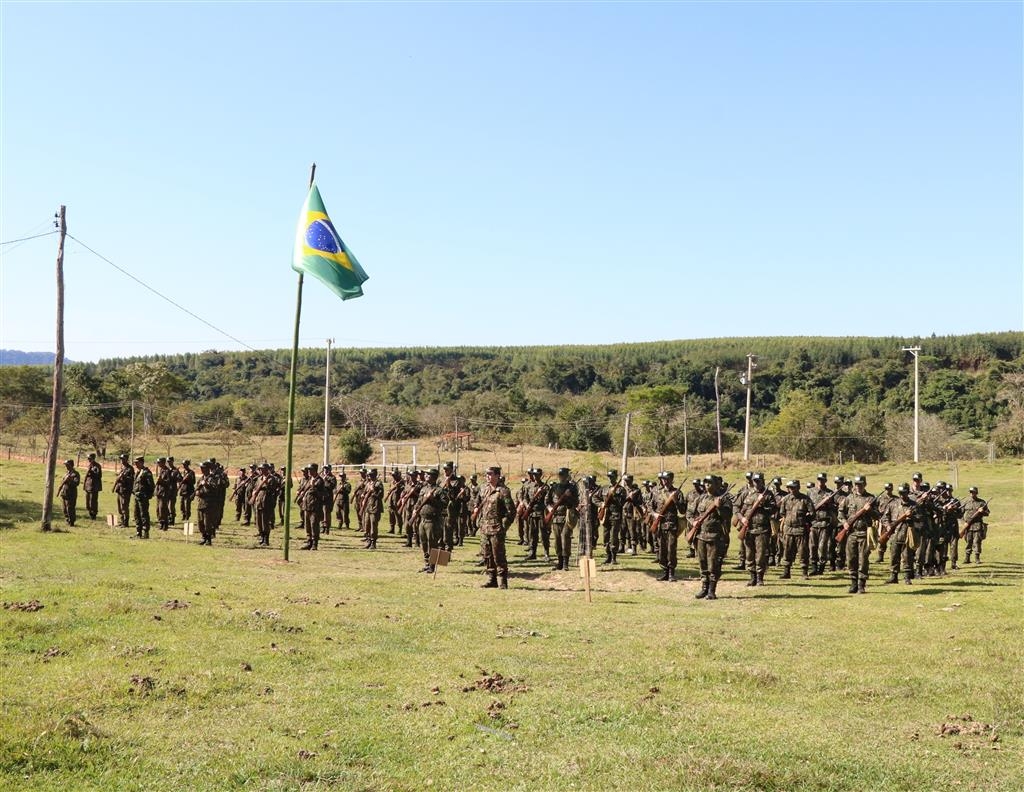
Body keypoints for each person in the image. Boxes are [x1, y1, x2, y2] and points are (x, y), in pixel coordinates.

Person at [694, 475, 733, 601]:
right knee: (702, 563)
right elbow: (690, 513)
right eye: (705, 482)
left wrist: (719, 507)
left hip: (715, 537)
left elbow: (727, 517)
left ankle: (712, 590)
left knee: (714, 564)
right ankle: (704, 587)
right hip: (701, 535)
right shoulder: (701, 498)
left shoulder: (724, 499)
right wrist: (693, 522)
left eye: (710, 482)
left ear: (717, 485)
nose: (707, 485)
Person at [837, 475, 877, 594]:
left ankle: (861, 585)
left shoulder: (871, 498)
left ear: (865, 484)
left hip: (864, 533)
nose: (858, 486)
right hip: (851, 533)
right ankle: (853, 583)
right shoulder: (848, 498)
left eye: (860, 484)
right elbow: (840, 513)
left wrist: (870, 510)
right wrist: (844, 523)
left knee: (863, 559)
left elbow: (878, 515)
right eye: (856, 484)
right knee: (851, 559)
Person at [478, 466, 515, 589]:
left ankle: (503, 580)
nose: (488, 476)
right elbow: (478, 506)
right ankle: (492, 579)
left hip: (496, 528)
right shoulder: (483, 489)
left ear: (497, 475)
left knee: (498, 555)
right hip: (485, 528)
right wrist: (479, 522)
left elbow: (511, 512)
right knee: (487, 555)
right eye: (486, 474)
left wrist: (503, 527)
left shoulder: (503, 491)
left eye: (490, 474)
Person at [737, 472, 777, 587]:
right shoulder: (746, 493)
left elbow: (774, 509)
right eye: (755, 481)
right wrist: (742, 518)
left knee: (761, 555)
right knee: (749, 554)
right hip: (748, 528)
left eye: (759, 481)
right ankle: (752, 577)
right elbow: (736, 508)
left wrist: (763, 504)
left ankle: (760, 578)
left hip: (762, 529)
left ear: (763, 481)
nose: (756, 483)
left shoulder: (768, 495)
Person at [651, 471, 686, 582]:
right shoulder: (656, 492)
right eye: (663, 479)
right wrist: (654, 514)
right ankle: (664, 571)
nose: (664, 481)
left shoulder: (678, 493)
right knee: (662, 549)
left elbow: (682, 510)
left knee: (671, 549)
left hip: (671, 525)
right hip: (660, 524)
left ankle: (671, 573)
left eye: (667, 479)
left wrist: (675, 500)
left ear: (672, 479)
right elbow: (649, 506)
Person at [777, 480, 814, 579]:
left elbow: (812, 513)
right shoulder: (785, 499)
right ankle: (786, 572)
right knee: (787, 550)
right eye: (790, 488)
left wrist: (804, 520)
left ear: (798, 488)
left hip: (800, 529)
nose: (792, 490)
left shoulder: (805, 499)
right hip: (788, 529)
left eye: (794, 488)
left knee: (803, 552)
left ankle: (804, 572)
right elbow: (782, 513)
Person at [546, 467, 580, 571]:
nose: (562, 477)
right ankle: (559, 562)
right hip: (556, 516)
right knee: (557, 541)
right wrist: (550, 508)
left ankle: (565, 563)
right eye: (560, 475)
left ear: (567, 476)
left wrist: (568, 497)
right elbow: (547, 500)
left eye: (564, 475)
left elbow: (576, 502)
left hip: (567, 516)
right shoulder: (554, 487)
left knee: (565, 538)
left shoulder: (572, 487)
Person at [413, 468, 445, 572]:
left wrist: (433, 499)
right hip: (422, 519)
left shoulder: (439, 490)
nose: (426, 476)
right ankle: (427, 563)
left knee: (433, 543)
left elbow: (443, 505)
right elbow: (419, 501)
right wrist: (415, 509)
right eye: (426, 474)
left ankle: (433, 565)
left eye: (428, 475)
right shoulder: (424, 489)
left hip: (433, 520)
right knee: (423, 542)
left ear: (434, 477)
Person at [596, 469, 627, 566]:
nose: (610, 479)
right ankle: (608, 556)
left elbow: (622, 503)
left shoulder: (621, 489)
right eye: (609, 477)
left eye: (612, 477)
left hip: (615, 515)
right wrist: (601, 504)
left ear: (616, 477)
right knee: (606, 536)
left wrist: (614, 496)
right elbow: (594, 498)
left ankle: (613, 557)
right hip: (606, 515)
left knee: (613, 537)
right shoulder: (604, 488)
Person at [808, 473, 836, 576]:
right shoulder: (811, 492)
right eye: (819, 479)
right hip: (813, 522)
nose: (821, 481)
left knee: (823, 546)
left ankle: (821, 567)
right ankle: (814, 566)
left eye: (823, 480)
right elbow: (808, 506)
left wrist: (828, 503)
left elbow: (835, 508)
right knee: (813, 546)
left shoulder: (830, 493)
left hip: (825, 523)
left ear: (826, 481)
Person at [960, 486, 989, 564]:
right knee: (968, 541)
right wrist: (964, 523)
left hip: (977, 525)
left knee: (977, 542)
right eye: (971, 492)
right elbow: (960, 513)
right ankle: (967, 558)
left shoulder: (981, 502)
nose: (972, 494)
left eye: (973, 492)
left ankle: (977, 558)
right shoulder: (965, 502)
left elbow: (987, 513)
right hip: (968, 526)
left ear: (976, 493)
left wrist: (982, 511)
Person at [300, 463, 326, 550]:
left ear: (315, 470)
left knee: (314, 525)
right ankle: (309, 541)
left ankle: (315, 543)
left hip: (315, 506)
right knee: (307, 525)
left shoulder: (320, 481)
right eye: (308, 470)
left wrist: (314, 486)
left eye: (310, 470)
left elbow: (322, 494)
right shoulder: (309, 479)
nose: (309, 471)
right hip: (307, 506)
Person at [360, 468, 385, 549]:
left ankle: (373, 542)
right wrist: (363, 495)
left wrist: (374, 491)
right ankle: (368, 541)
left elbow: (380, 496)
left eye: (371, 475)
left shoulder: (378, 484)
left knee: (373, 525)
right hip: (368, 507)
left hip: (375, 507)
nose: (369, 476)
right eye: (369, 475)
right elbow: (365, 492)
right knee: (367, 525)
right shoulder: (368, 483)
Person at [132, 456, 154, 538]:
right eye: (135, 463)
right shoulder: (138, 472)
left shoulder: (146, 472)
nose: (136, 464)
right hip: (137, 496)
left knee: (144, 514)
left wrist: (147, 495)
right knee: (136, 514)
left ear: (141, 462)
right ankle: (138, 532)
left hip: (143, 497)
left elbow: (151, 485)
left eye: (137, 463)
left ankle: (145, 532)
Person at [195, 461, 216, 545]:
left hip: (208, 504)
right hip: (201, 503)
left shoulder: (212, 478)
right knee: (200, 522)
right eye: (201, 468)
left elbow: (214, 489)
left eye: (203, 468)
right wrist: (197, 493)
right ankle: (203, 537)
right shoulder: (201, 479)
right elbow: (197, 489)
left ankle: (208, 539)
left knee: (207, 523)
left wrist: (206, 485)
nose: (202, 469)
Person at [113, 453, 134, 527]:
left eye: (123, 459)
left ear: (126, 459)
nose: (121, 460)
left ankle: (126, 522)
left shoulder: (130, 469)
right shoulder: (122, 468)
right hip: (120, 490)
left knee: (124, 506)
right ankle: (122, 521)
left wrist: (124, 477)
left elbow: (131, 480)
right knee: (119, 507)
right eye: (121, 459)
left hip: (125, 490)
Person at [57, 459, 81, 526]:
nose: (66, 466)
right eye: (66, 465)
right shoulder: (66, 473)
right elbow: (62, 482)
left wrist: (70, 480)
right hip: (64, 493)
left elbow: (76, 483)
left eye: (67, 465)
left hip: (71, 494)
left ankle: (72, 522)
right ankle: (67, 521)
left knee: (70, 508)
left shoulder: (75, 474)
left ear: (71, 465)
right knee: (64, 509)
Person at [154, 457, 174, 530]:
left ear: (163, 462)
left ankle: (165, 524)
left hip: (164, 493)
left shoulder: (167, 471)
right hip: (159, 492)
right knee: (158, 509)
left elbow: (168, 482)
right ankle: (161, 523)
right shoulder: (161, 470)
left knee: (163, 509)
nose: (158, 464)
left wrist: (161, 480)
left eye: (159, 463)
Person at [83, 452, 102, 519]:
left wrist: (91, 471)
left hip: (94, 487)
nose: (88, 459)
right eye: (88, 458)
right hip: (88, 486)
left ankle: (93, 515)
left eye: (90, 458)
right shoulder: (90, 465)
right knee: (87, 502)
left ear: (93, 458)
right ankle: (90, 512)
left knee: (93, 502)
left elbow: (99, 475)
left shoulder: (97, 466)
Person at [386, 468, 404, 535]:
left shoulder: (402, 482)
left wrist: (398, 487)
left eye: (394, 475)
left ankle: (399, 529)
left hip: (397, 501)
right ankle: (392, 528)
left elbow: (403, 491)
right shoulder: (392, 482)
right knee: (391, 515)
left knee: (398, 515)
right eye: (393, 476)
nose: (393, 477)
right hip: (391, 501)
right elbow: (389, 489)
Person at [320, 464, 337, 535]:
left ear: (330, 470)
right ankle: (323, 527)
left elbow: (331, 487)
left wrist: (326, 480)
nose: (325, 470)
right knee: (321, 513)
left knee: (326, 513)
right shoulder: (322, 477)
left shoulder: (332, 478)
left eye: (327, 469)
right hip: (321, 498)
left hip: (328, 498)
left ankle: (327, 528)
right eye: (324, 469)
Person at [166, 456, 181, 525]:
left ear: (172, 462)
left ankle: (172, 520)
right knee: (166, 506)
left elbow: (179, 479)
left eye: (170, 462)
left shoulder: (175, 471)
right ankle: (167, 518)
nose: (169, 463)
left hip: (172, 491)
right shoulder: (166, 470)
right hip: (166, 491)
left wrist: (178, 486)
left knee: (171, 506)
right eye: (168, 462)